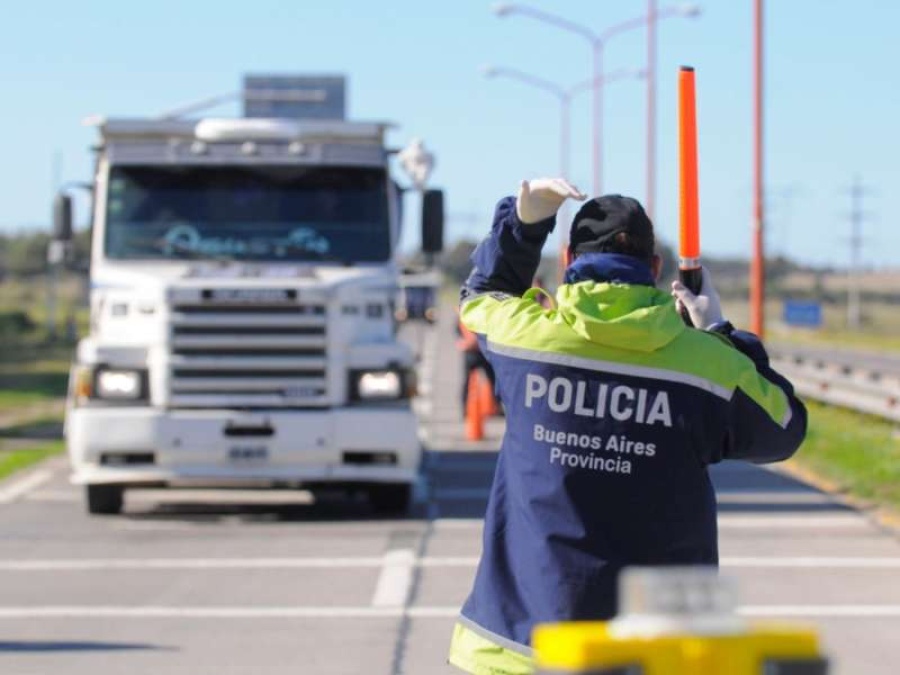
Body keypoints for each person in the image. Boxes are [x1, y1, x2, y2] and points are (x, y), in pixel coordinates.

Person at [447, 178, 807, 675]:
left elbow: (480, 297)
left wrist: (525, 226)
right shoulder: (708, 367)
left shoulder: (524, 341)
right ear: (655, 269)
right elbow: (783, 430)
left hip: (518, 650)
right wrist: (721, 335)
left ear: (569, 258)